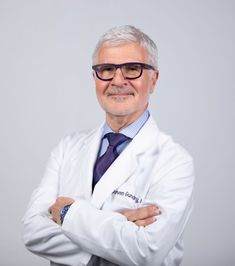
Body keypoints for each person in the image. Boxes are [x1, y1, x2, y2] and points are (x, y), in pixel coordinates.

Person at [22, 25, 194, 266]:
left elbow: (146, 252)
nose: (118, 80)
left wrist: (65, 213)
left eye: (132, 69)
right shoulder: (67, 148)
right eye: (107, 69)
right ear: (95, 78)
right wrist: (119, 226)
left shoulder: (174, 161)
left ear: (153, 79)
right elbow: (33, 232)